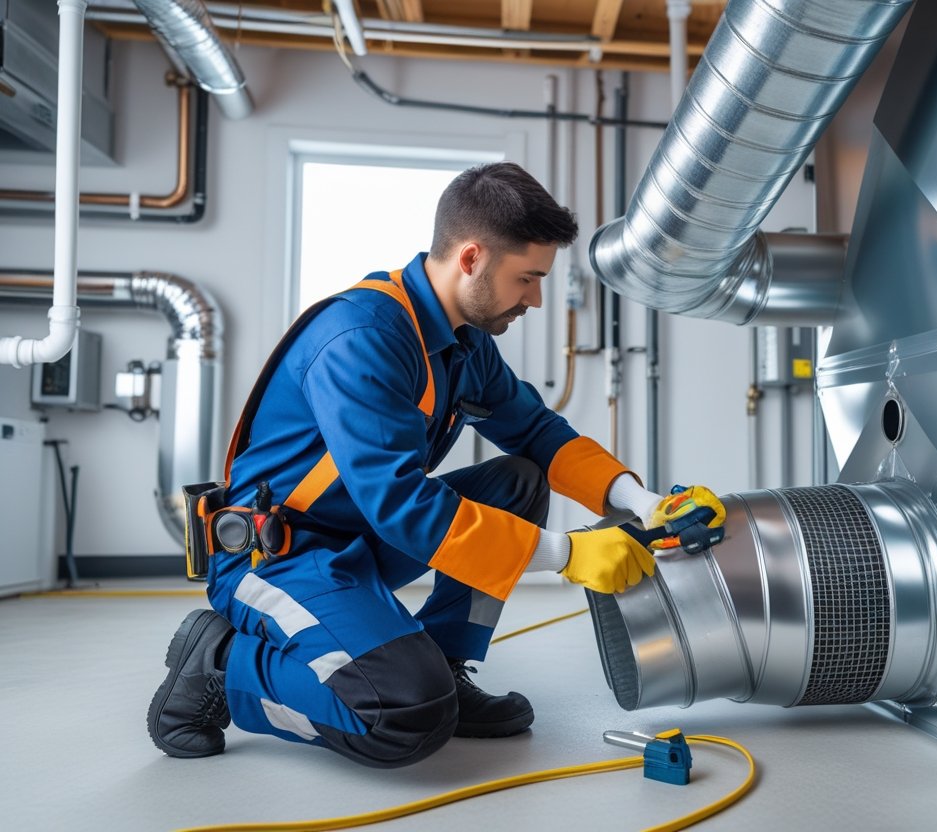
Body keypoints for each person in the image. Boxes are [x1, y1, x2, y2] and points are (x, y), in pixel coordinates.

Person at [146, 162, 724, 768]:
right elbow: (400, 504)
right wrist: (570, 555)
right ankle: (220, 664)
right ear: (471, 258)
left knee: (517, 480)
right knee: (403, 717)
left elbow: (537, 433)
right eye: (527, 278)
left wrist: (643, 501)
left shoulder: (462, 344)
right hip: (278, 556)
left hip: (359, 540)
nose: (535, 298)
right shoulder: (361, 337)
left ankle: (448, 664)